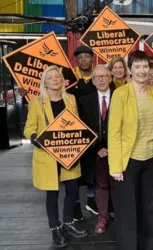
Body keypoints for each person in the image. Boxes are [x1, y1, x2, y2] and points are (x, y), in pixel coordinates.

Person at [24, 65, 87, 249]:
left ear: (62, 80)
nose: (54, 79)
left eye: (57, 77)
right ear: (45, 81)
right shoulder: (37, 102)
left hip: (69, 153)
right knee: (52, 194)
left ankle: (68, 223)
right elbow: (29, 127)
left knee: (73, 189)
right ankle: (55, 229)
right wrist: (35, 138)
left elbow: (76, 124)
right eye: (50, 77)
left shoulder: (71, 99)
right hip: (47, 155)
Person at [108, 50, 153, 250]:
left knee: (150, 207)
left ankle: (151, 246)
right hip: (128, 160)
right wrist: (115, 166)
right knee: (127, 210)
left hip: (152, 157)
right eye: (137, 66)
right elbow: (114, 132)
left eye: (145, 66)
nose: (142, 70)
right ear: (129, 70)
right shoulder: (121, 94)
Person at [78, 65, 114, 234]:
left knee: (121, 184)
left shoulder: (121, 96)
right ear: (92, 81)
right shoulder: (85, 101)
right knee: (101, 185)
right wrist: (98, 147)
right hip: (97, 150)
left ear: (110, 78)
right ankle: (102, 218)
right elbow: (83, 127)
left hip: (119, 149)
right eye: (97, 77)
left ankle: (122, 216)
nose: (101, 79)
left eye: (104, 76)